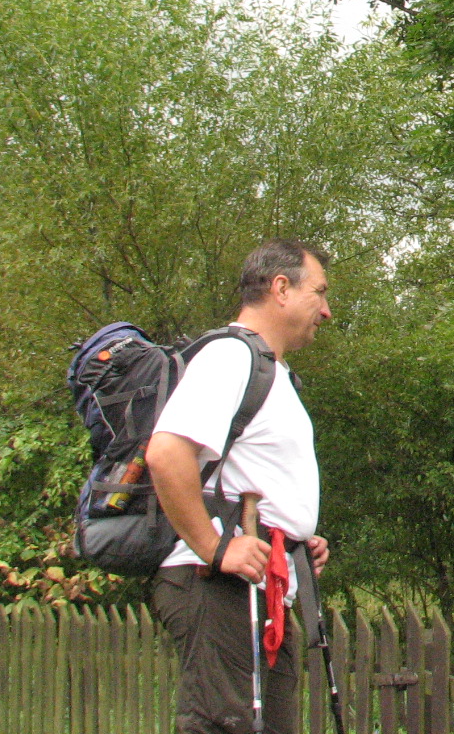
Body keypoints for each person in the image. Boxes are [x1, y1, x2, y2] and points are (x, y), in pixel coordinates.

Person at [145, 239, 333, 734]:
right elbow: (166, 454)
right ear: (281, 288)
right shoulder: (231, 356)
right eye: (319, 292)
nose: (326, 311)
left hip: (262, 587)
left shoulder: (275, 373)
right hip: (220, 588)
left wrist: (295, 541)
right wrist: (214, 548)